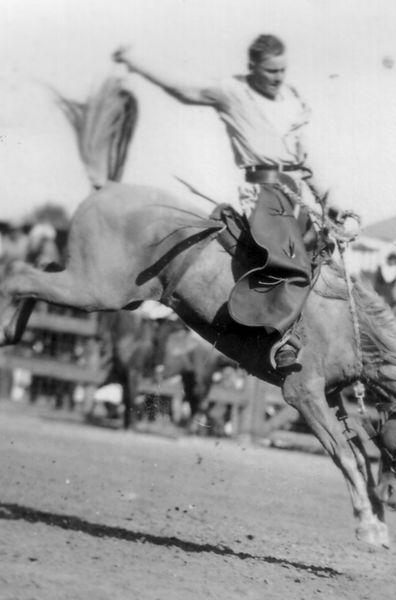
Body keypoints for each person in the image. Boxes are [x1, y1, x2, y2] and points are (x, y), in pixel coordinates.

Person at [113, 34, 337, 373]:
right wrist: (134, 61)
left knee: (326, 258)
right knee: (292, 261)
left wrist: (327, 202)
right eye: (271, 71)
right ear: (253, 68)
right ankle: (278, 340)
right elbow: (184, 90)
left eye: (283, 69)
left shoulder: (291, 99)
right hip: (264, 191)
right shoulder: (234, 92)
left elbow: (303, 155)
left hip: (296, 192)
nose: (279, 77)